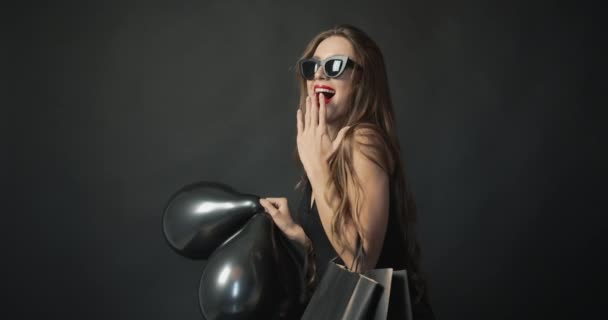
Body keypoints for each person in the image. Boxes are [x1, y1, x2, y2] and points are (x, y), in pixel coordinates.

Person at [259, 24, 435, 319]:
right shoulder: (331, 149)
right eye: (313, 66)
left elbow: (361, 264)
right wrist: (301, 237)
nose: (319, 75)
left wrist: (317, 168)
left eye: (335, 66)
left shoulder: (363, 140)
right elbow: (338, 250)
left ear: (362, 81)